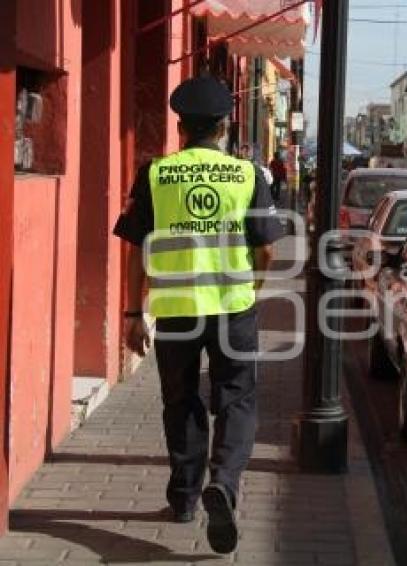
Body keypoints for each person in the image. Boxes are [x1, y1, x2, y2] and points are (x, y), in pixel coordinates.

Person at [112, 76, 285, 555]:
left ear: (181, 126)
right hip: (233, 309)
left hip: (175, 312)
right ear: (226, 125)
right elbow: (267, 248)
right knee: (237, 399)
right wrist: (255, 287)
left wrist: (132, 312)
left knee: (180, 400)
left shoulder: (155, 174)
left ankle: (185, 498)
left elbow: (135, 249)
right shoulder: (248, 175)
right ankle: (224, 484)